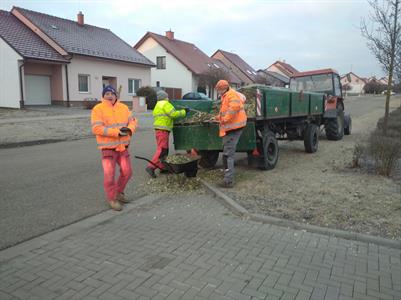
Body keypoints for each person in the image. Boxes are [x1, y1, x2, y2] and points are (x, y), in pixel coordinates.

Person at [91, 85, 137, 211]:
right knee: (109, 175)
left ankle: (118, 193)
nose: (110, 96)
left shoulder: (123, 107)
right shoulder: (98, 109)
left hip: (123, 146)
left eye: (112, 93)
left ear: (116, 95)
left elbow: (133, 121)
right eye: (107, 94)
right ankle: (112, 199)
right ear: (103, 96)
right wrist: (116, 132)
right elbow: (96, 128)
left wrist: (129, 129)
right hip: (108, 148)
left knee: (127, 172)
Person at [145, 90, 188, 178]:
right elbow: (173, 114)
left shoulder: (157, 105)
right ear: (164, 97)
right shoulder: (165, 104)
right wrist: (184, 111)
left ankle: (162, 167)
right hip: (163, 130)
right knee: (162, 150)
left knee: (164, 150)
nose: (168, 98)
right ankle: (151, 167)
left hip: (159, 130)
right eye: (167, 96)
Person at [215, 79, 247, 188]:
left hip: (234, 127)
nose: (218, 92)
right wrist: (218, 117)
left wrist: (225, 119)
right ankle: (227, 177)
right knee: (227, 154)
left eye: (218, 90)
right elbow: (225, 111)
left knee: (228, 155)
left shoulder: (230, 95)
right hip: (232, 127)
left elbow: (234, 108)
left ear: (223, 88)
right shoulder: (227, 95)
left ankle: (228, 181)